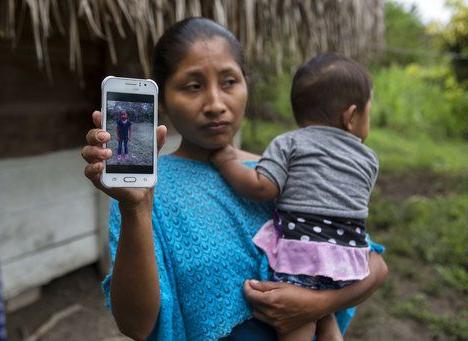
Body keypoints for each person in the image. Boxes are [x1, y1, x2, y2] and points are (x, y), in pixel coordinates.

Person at [82, 17, 387, 341]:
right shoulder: (147, 192)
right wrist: (137, 210)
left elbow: (375, 265)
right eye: (193, 86)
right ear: (164, 101)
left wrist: (317, 304)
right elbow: (135, 325)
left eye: (229, 82)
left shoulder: (284, 173)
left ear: (246, 85)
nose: (215, 104)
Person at [210, 53, 379, 340]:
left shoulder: (289, 142)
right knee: (325, 316)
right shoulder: (369, 159)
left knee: (297, 324)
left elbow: (263, 187)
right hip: (350, 261)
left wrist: (226, 161)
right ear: (351, 117)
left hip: (304, 256)